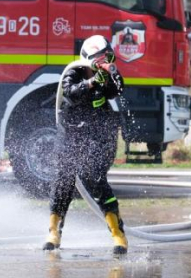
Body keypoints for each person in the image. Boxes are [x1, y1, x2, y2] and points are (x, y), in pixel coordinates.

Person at [43, 35, 129, 255]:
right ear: (89, 58)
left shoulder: (106, 75)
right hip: (70, 131)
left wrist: (113, 75)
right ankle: (54, 233)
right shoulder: (73, 72)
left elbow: (117, 91)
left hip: (97, 129)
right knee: (64, 179)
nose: (106, 62)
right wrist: (92, 82)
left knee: (94, 177)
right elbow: (71, 95)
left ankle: (118, 235)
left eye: (108, 57)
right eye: (101, 59)